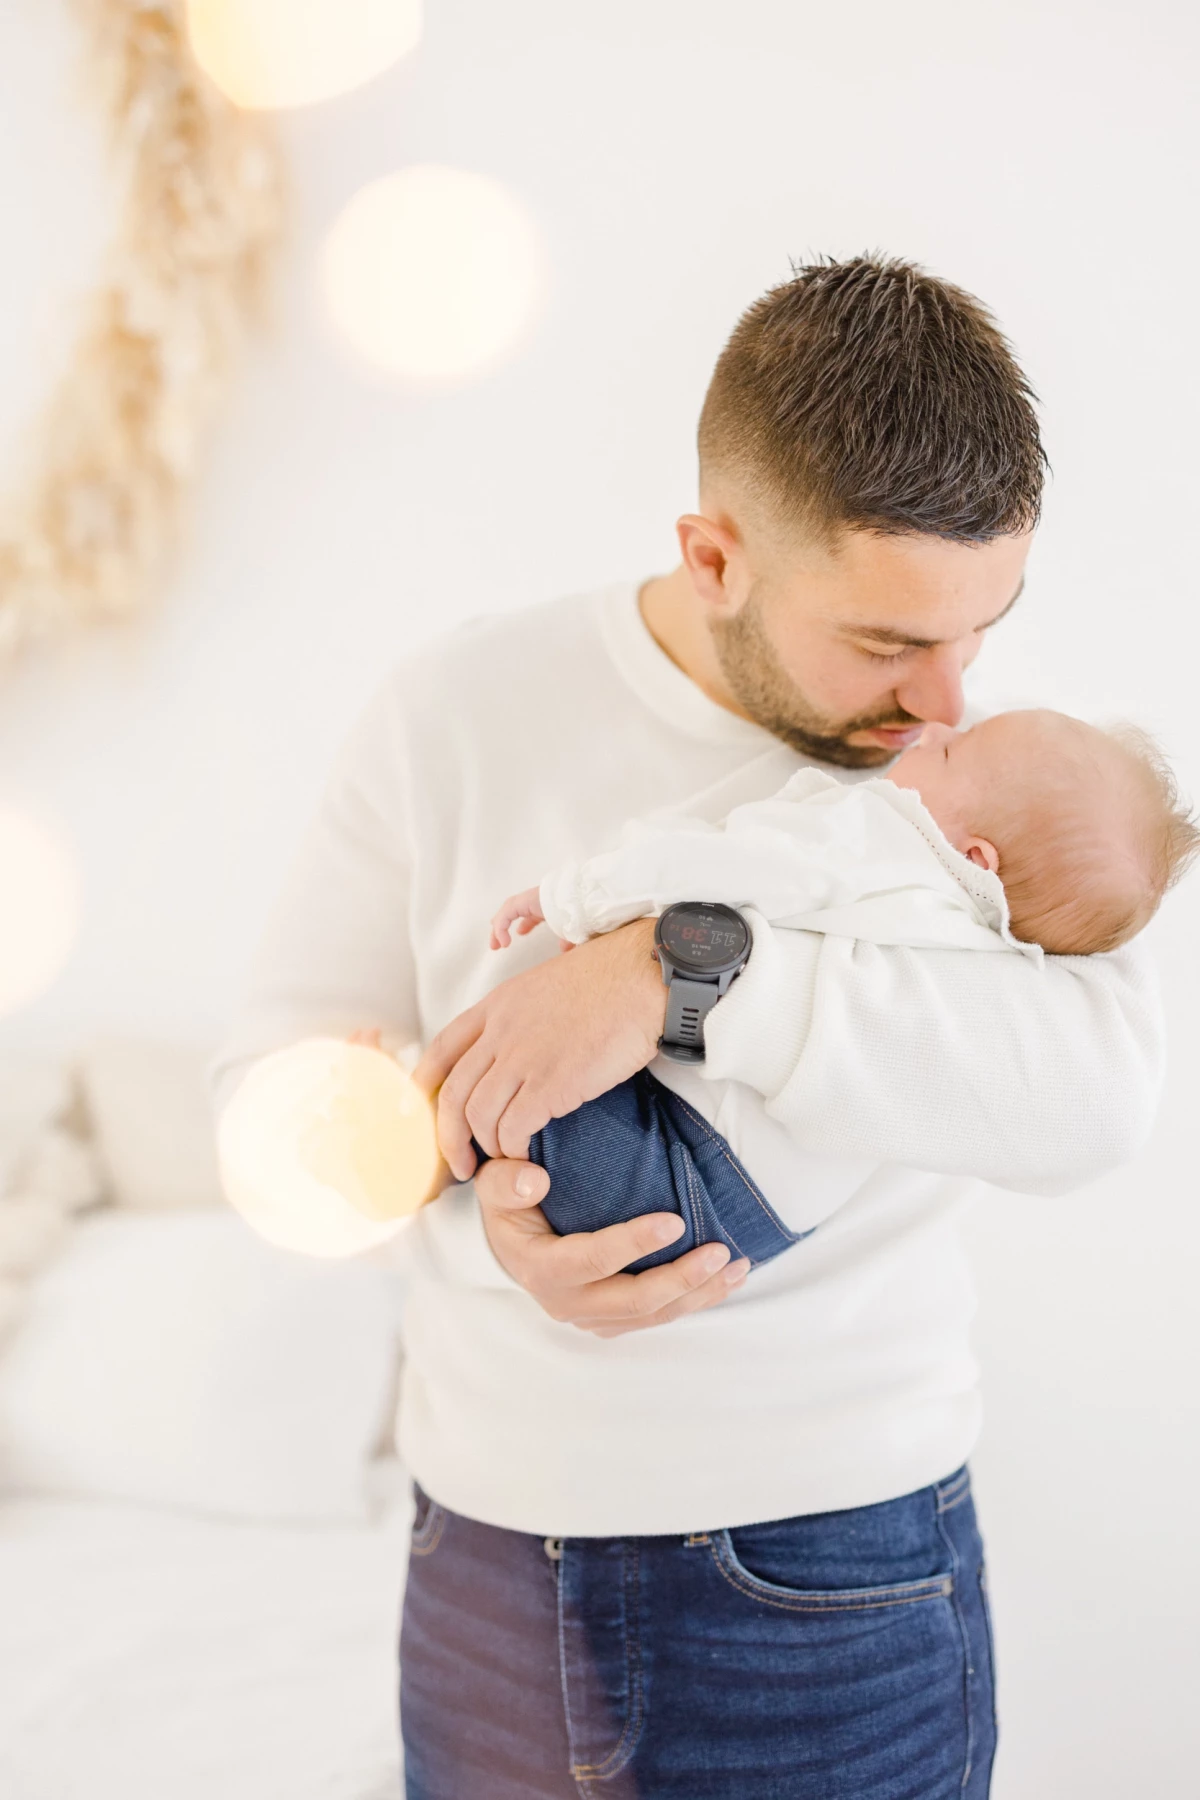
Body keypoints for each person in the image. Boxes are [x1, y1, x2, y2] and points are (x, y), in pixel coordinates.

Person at [210, 257, 1167, 1799]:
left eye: (984, 628)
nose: (945, 698)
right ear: (714, 553)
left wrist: (684, 967)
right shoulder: (457, 710)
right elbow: (268, 1095)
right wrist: (467, 1200)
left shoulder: (997, 785)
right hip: (487, 1568)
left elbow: (1097, 1096)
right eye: (883, 644)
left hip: (836, 1576)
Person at [480, 709, 1196, 1266]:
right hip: (751, 1220)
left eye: (951, 750)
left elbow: (730, 864)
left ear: (973, 857)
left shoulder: (887, 839)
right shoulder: (999, 937)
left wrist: (576, 896)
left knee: (492, 1092)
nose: (939, 725)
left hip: (678, 1170)